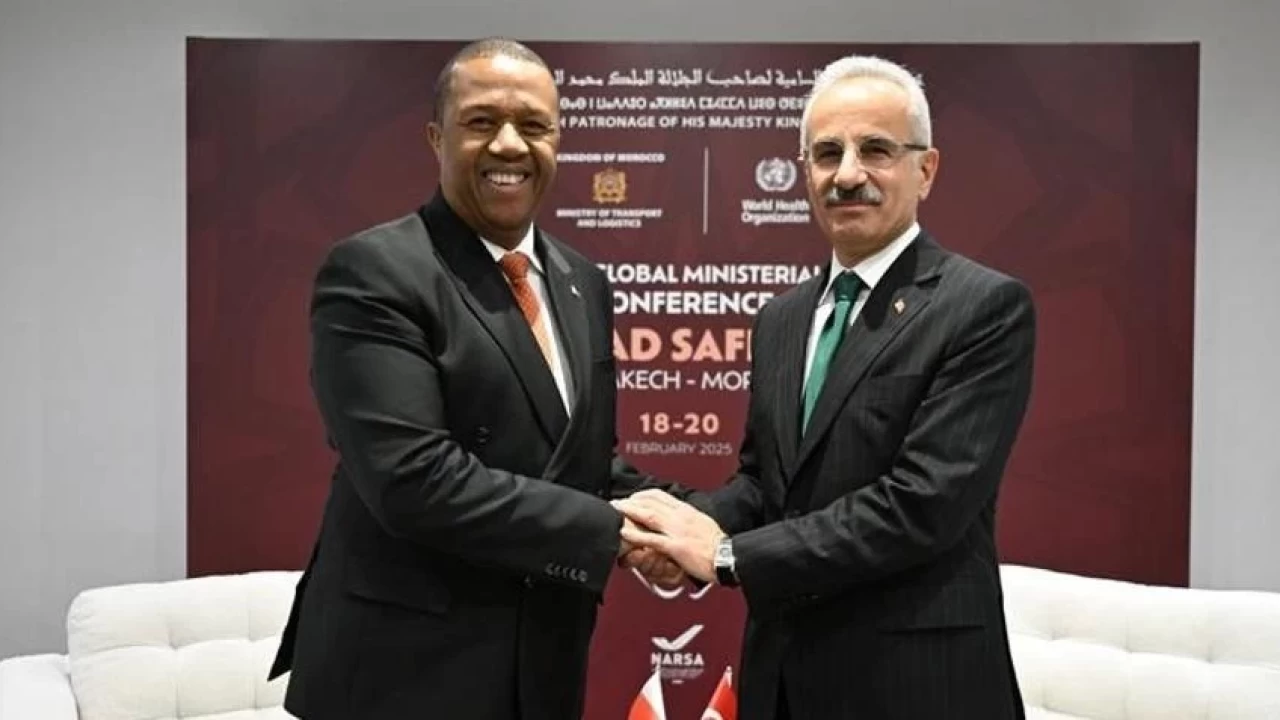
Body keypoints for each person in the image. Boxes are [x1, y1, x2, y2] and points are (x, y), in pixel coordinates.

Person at [268, 38, 679, 720]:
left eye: (534, 125)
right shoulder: (376, 271)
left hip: (541, 662)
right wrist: (614, 531)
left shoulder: (581, 281)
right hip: (402, 673)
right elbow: (414, 480)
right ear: (438, 137)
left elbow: (580, 462)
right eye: (482, 121)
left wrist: (710, 525)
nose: (510, 144)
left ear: (558, 139)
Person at [617, 54, 1035, 720]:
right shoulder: (780, 319)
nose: (847, 174)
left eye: (876, 150)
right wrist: (677, 536)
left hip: (917, 685)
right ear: (805, 170)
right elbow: (765, 485)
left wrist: (724, 556)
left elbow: (921, 506)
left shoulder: (982, 307)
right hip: (784, 677)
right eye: (827, 153)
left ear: (926, 170)